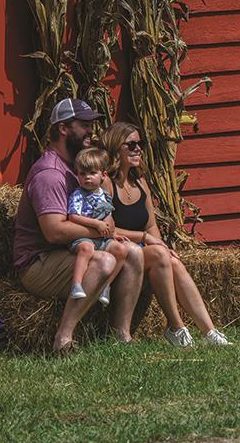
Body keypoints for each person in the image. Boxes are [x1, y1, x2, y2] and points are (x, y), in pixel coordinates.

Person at [12, 98, 143, 353]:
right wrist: (101, 230)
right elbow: (54, 231)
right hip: (38, 262)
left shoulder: (78, 168)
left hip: (71, 250)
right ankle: (63, 339)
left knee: (135, 254)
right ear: (63, 129)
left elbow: (103, 213)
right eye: (84, 125)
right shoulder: (50, 174)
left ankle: (122, 335)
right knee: (105, 261)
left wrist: (108, 224)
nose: (91, 132)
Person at [99, 121, 231, 347]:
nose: (138, 149)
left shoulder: (140, 182)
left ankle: (209, 332)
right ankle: (177, 327)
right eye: (131, 145)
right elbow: (104, 229)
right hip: (120, 256)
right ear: (115, 148)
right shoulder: (106, 184)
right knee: (161, 256)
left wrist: (160, 244)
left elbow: (151, 226)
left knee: (173, 261)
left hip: (142, 253)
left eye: (140, 144)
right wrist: (145, 239)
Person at [66, 147, 125, 306]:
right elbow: (73, 216)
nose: (87, 178)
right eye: (82, 174)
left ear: (103, 175)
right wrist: (96, 224)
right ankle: (76, 284)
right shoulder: (78, 195)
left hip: (102, 238)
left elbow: (108, 217)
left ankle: (106, 286)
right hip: (84, 237)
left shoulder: (105, 195)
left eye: (92, 173)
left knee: (121, 250)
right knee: (86, 249)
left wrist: (112, 235)